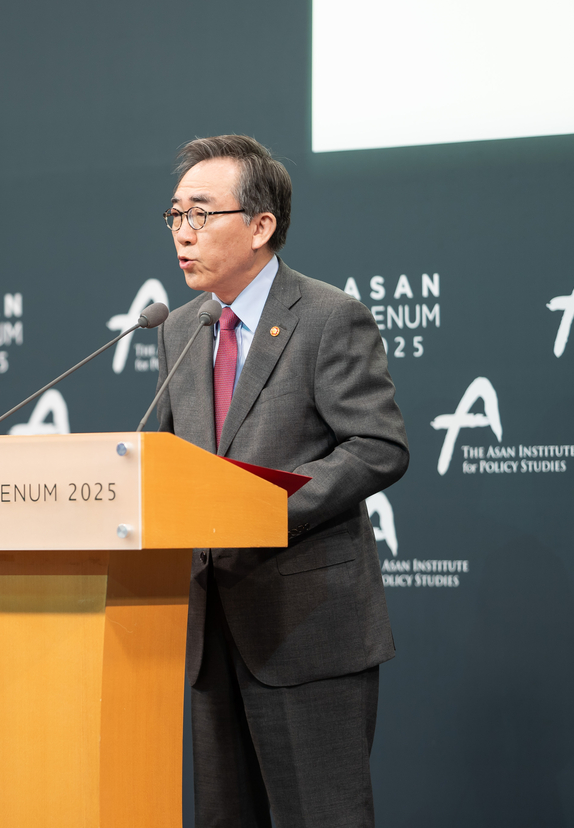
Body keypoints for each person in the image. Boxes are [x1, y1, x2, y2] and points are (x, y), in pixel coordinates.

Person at [154, 135, 409, 828]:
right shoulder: (179, 330)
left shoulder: (327, 317)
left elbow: (379, 446)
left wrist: (264, 504)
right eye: (175, 215)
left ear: (261, 225)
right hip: (211, 635)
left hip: (307, 628)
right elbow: (174, 460)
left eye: (201, 213)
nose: (183, 233)